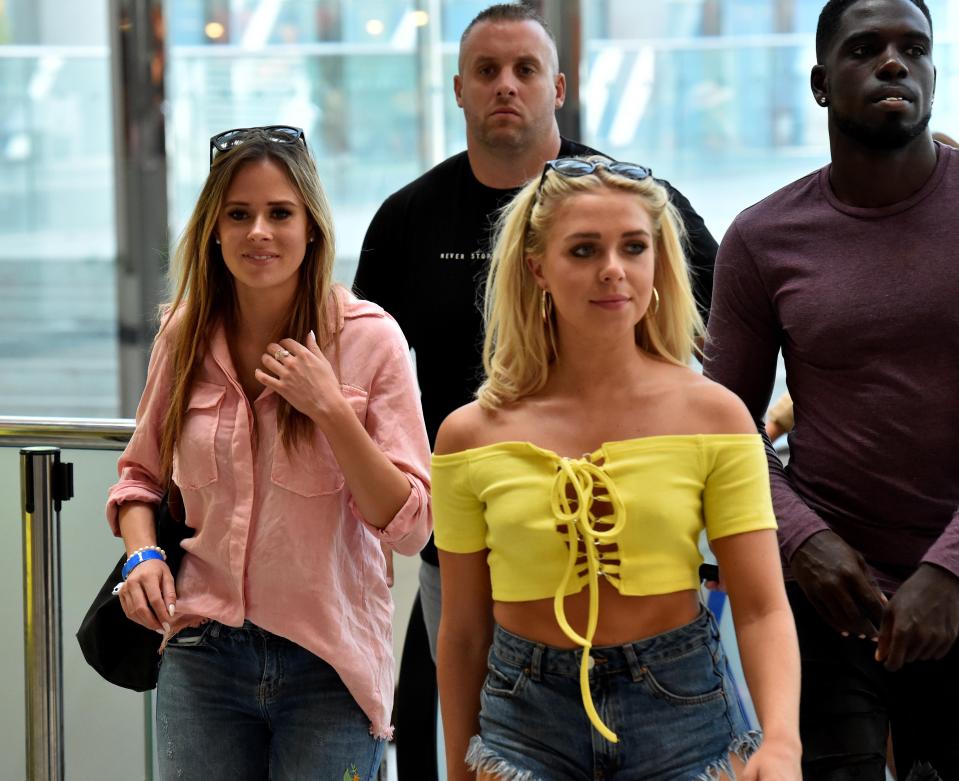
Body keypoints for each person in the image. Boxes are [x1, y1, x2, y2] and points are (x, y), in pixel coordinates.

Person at [353, 6, 719, 772]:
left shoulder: (634, 204)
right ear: (458, 89)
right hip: (460, 536)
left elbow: (720, 339)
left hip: (619, 540)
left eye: (524, 70)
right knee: (440, 736)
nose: (505, 87)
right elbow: (367, 383)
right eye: (486, 71)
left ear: (558, 86)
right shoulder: (407, 219)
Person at [432, 156, 801, 781]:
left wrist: (783, 742)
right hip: (522, 722)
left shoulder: (715, 415)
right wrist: (459, 765)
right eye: (583, 250)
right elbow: (464, 631)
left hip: (682, 713)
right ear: (537, 269)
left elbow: (762, 606)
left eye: (634, 247)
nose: (613, 270)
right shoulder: (469, 435)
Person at [105, 126, 432, 780]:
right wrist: (141, 554)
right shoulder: (184, 334)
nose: (258, 230)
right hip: (203, 650)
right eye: (238, 214)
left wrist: (331, 410)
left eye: (279, 212)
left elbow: (410, 525)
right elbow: (138, 477)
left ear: (311, 226)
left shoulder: (369, 341)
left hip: (328, 665)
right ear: (214, 232)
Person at [704, 0, 959, 776]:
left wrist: (951, 568)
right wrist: (800, 538)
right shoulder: (761, 237)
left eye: (913, 48)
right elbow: (722, 426)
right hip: (830, 596)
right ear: (819, 83)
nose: (893, 63)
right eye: (866, 48)